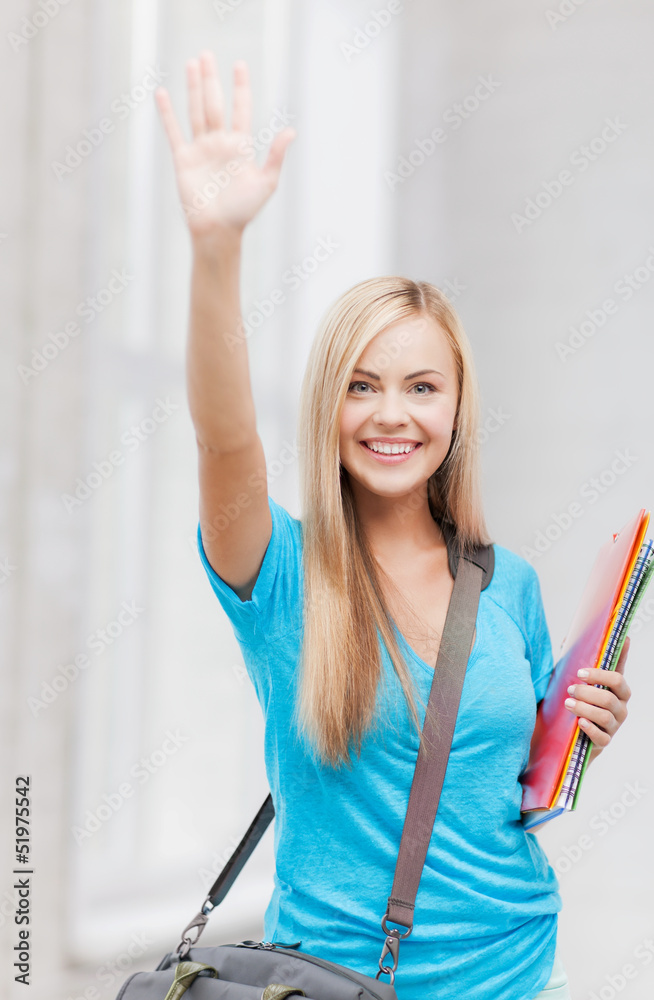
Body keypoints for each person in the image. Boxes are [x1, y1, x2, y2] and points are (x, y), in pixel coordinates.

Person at [154, 50, 632, 1000]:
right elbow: (223, 436)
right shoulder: (281, 573)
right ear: (328, 406)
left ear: (457, 411)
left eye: (422, 387)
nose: (391, 415)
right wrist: (216, 250)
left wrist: (583, 736)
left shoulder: (507, 584)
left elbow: (510, 796)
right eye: (362, 387)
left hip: (525, 973)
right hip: (335, 984)